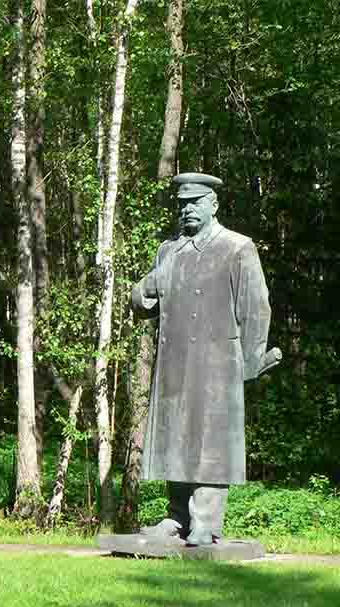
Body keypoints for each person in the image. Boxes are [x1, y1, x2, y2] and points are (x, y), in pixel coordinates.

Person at [131, 173, 280, 545]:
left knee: (211, 440)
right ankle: (177, 517)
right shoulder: (169, 251)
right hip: (174, 363)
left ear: (214, 205)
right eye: (182, 204)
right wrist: (148, 286)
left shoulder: (236, 247)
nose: (188, 210)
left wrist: (249, 362)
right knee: (175, 439)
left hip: (218, 364)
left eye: (195, 202)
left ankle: (207, 521)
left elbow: (256, 308)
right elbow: (142, 301)